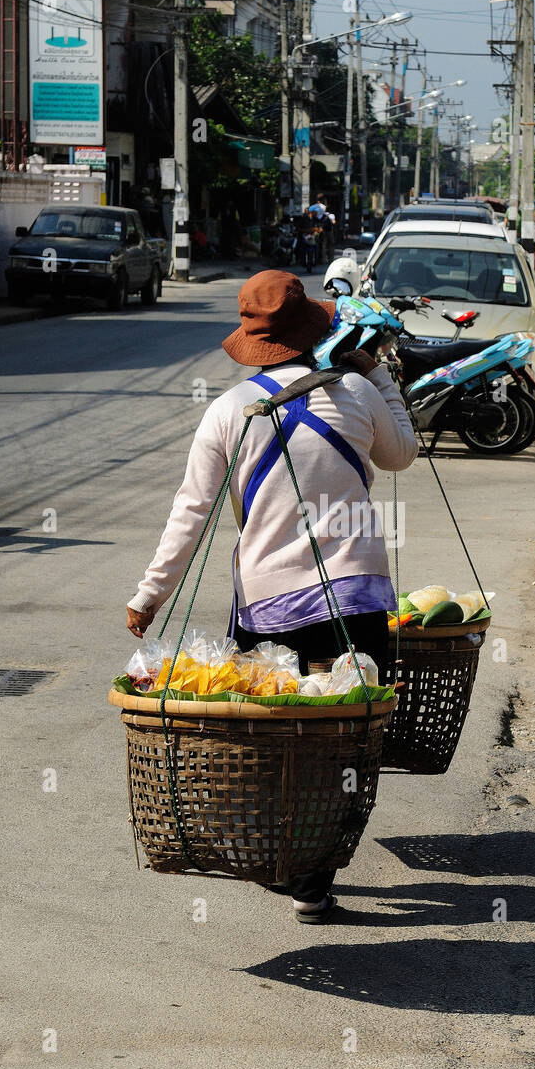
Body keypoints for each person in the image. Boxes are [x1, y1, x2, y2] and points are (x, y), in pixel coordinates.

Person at [126, 270, 417, 923]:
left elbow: (191, 514)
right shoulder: (355, 393)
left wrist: (149, 595)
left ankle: (284, 856)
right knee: (346, 745)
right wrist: (383, 379)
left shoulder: (229, 411)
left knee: (280, 746)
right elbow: (401, 454)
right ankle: (315, 878)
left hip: (270, 612)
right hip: (359, 604)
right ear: (316, 332)